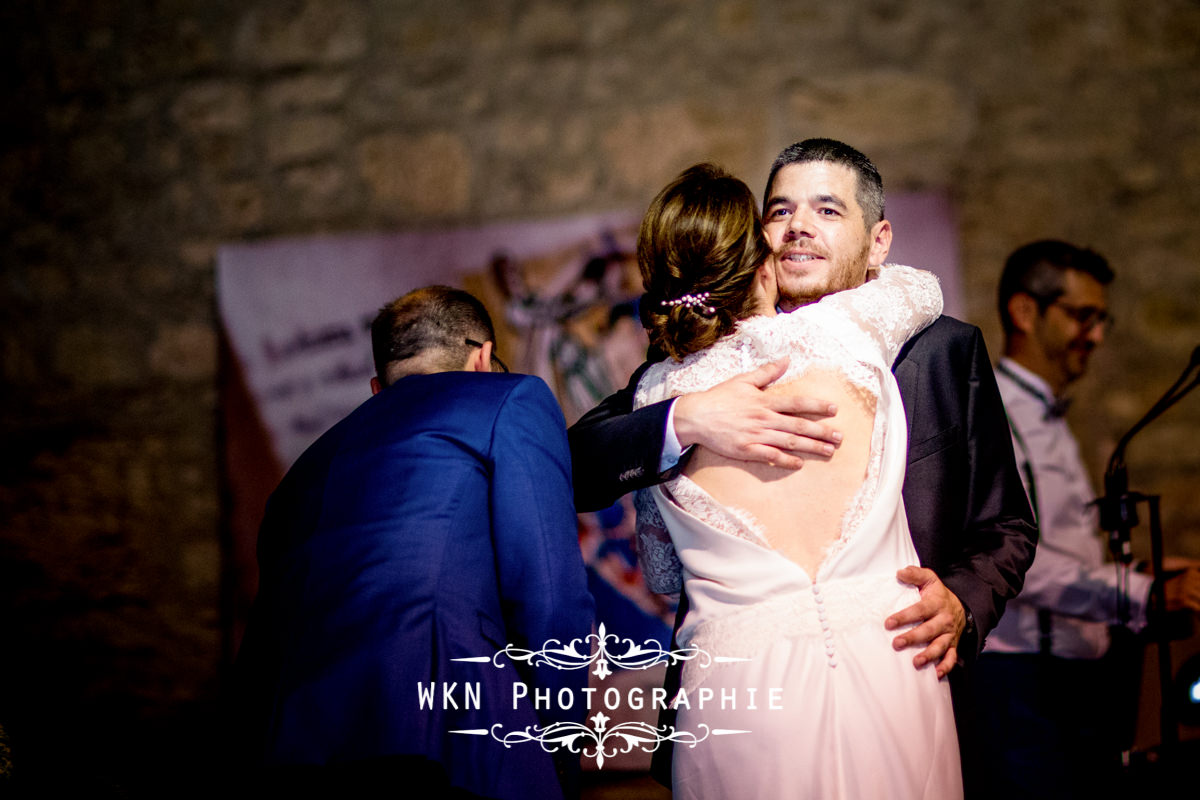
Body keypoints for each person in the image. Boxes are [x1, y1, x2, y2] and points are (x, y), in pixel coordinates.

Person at [567, 139, 1037, 783]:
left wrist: (962, 601)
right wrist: (688, 419)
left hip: (904, 668)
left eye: (827, 211)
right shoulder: (682, 371)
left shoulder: (943, 351)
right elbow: (580, 460)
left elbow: (1006, 522)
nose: (798, 229)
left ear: (878, 242)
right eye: (780, 210)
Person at [626, 162, 957, 797]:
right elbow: (923, 287)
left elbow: (665, 575)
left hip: (736, 685)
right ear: (762, 266)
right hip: (890, 656)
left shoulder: (656, 398)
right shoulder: (847, 331)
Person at [232, 286, 594, 799]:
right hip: (446, 736)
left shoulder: (300, 474)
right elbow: (551, 596)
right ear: (484, 356)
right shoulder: (511, 396)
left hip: (286, 750)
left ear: (379, 387)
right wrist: (557, 749)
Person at [970, 240, 1200, 798]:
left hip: (1076, 681)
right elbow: (1009, 557)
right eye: (1082, 316)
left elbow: (1059, 544)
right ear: (1026, 312)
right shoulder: (996, 410)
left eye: (1101, 319)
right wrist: (1140, 594)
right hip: (1022, 686)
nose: (1095, 336)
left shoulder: (1047, 412)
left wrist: (1148, 568)